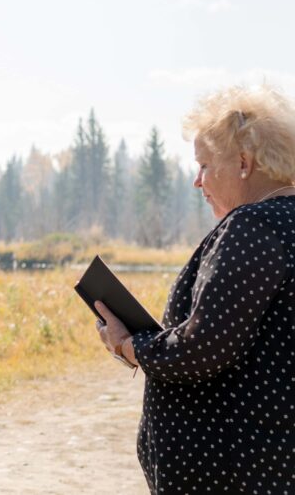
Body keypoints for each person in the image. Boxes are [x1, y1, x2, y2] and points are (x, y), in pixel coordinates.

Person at [96, 83, 295, 494]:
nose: (197, 181)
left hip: (237, 471)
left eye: (204, 165)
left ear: (243, 163)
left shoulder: (253, 227)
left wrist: (128, 344)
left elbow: (202, 347)